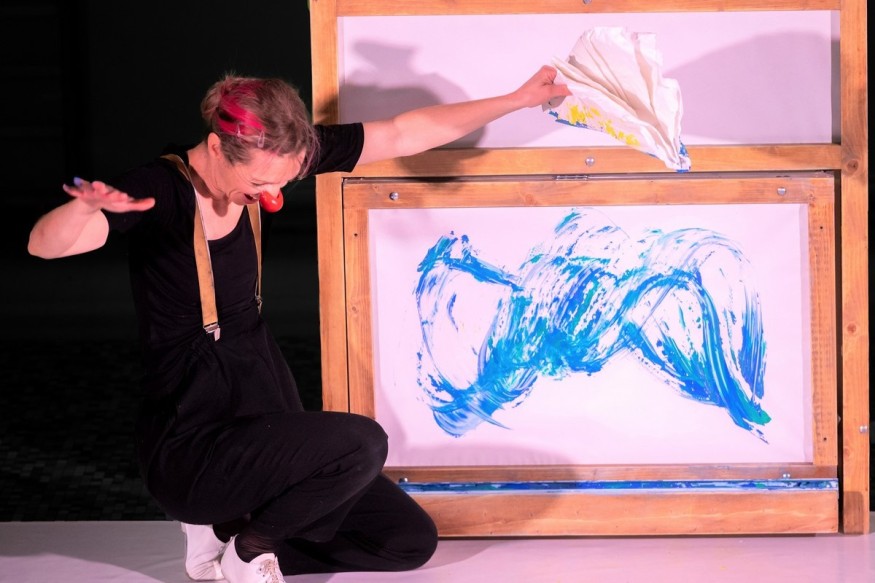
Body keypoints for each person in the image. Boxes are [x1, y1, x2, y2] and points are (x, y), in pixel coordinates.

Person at [27, 66, 570, 583]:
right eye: (260, 181)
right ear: (216, 147)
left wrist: (518, 99)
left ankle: (228, 537)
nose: (270, 195)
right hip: (192, 447)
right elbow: (45, 246)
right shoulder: (162, 191)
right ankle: (247, 548)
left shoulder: (276, 155)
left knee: (406, 540)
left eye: (283, 181)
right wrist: (83, 209)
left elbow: (403, 133)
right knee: (363, 444)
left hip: (258, 423)